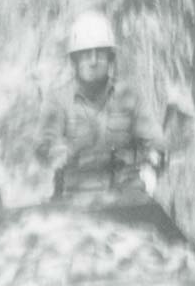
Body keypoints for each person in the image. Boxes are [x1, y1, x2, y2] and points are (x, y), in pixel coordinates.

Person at [35, 10, 166, 198]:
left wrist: (152, 168)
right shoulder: (58, 100)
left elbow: (157, 144)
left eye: (100, 53)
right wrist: (55, 152)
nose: (93, 61)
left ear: (110, 58)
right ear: (75, 59)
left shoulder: (131, 97)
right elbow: (43, 146)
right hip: (74, 201)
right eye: (86, 54)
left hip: (127, 198)